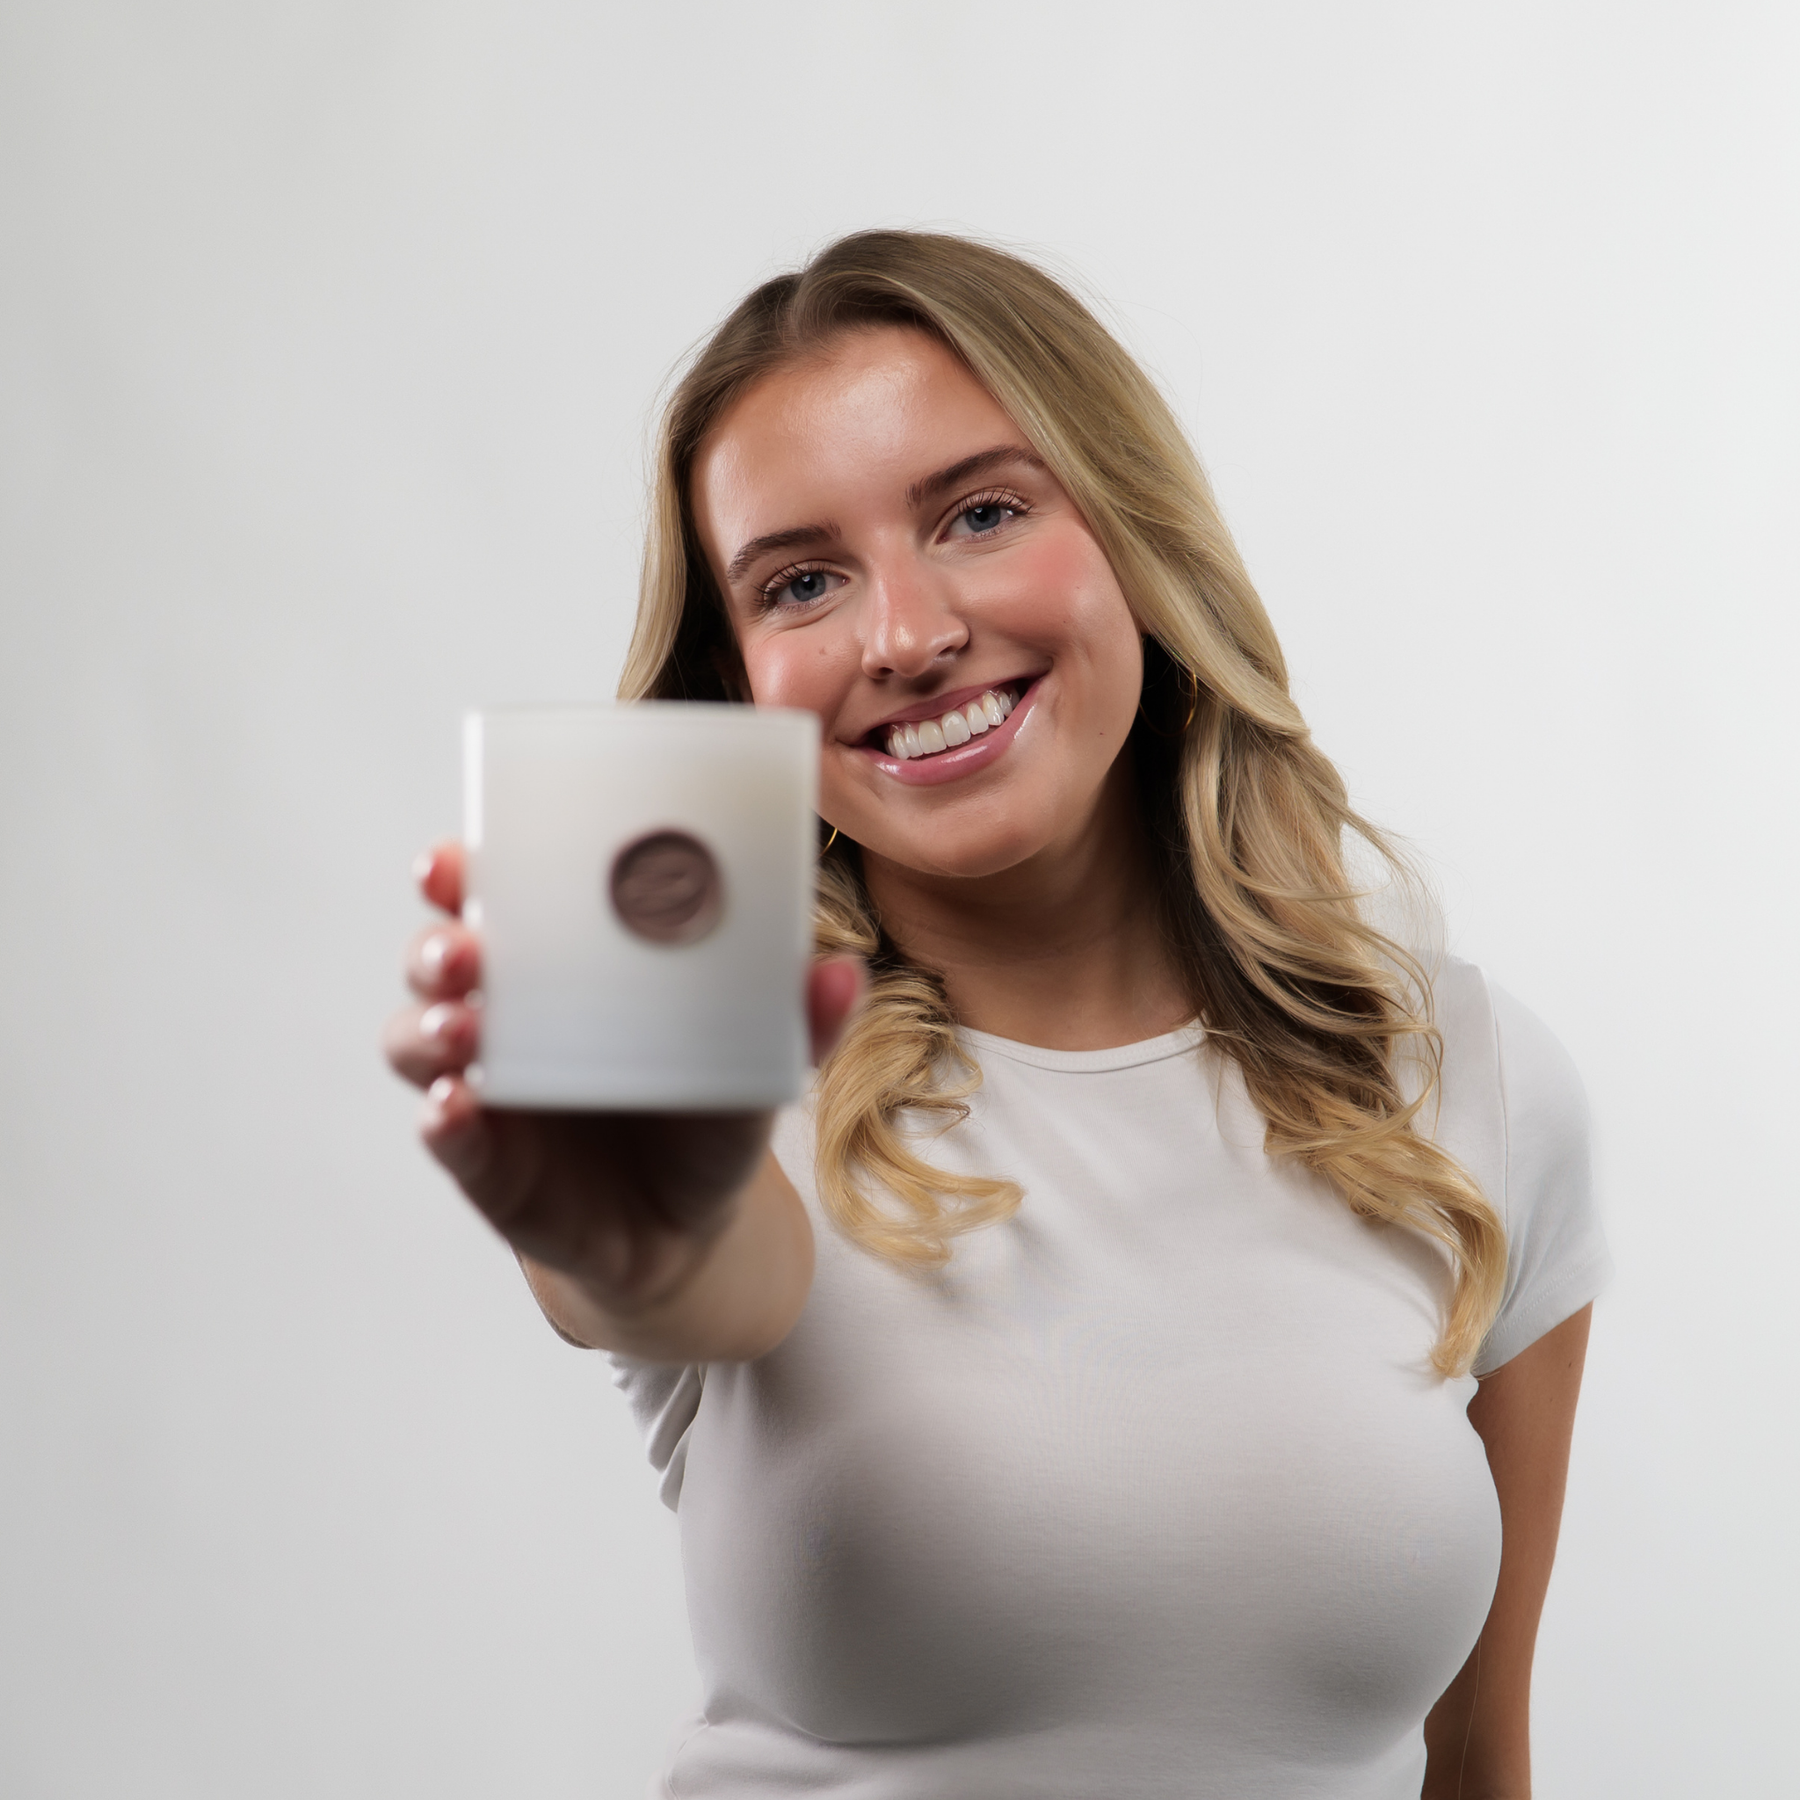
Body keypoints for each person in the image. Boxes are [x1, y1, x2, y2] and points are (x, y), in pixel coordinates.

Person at [384, 231, 1611, 1798]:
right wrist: (626, 1216)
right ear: (740, 684)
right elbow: (677, 1265)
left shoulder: (1467, 1078)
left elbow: (1482, 1759)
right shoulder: (715, 1055)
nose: (904, 637)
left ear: (1133, 538)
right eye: (802, 582)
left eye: (980, 512)